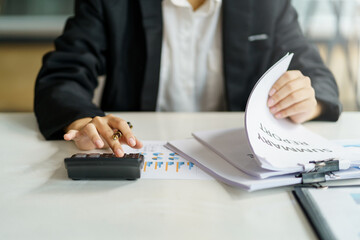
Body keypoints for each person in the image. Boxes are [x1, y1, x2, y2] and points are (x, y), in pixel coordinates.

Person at [34, 0, 342, 157]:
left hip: (238, 157)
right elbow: (63, 73)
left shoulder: (266, 3)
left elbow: (316, 75)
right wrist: (81, 121)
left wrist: (306, 102)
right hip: (136, 154)